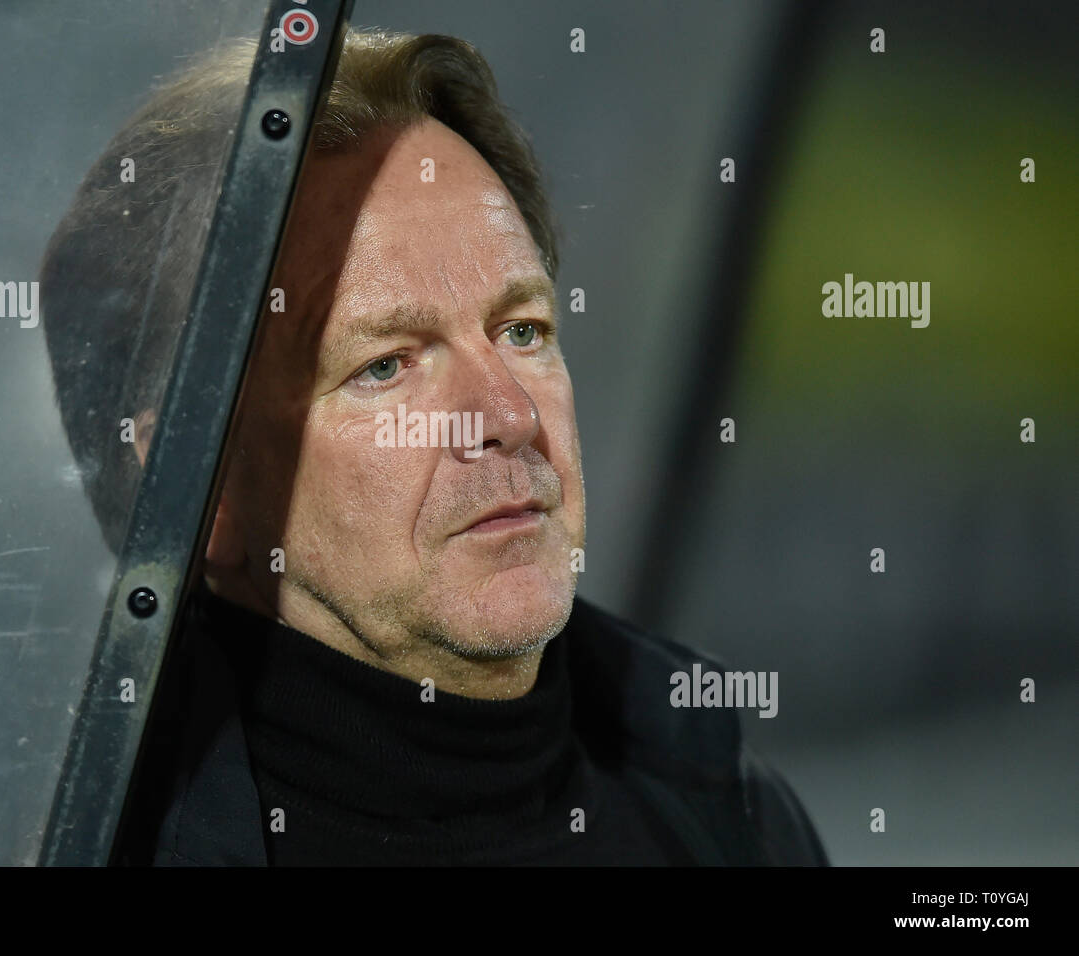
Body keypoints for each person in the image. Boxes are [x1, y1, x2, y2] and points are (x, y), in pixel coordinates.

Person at [40, 28, 828, 866]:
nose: (509, 415)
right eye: (385, 366)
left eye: (520, 329)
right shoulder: (124, 847)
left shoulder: (727, 806)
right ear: (205, 493)